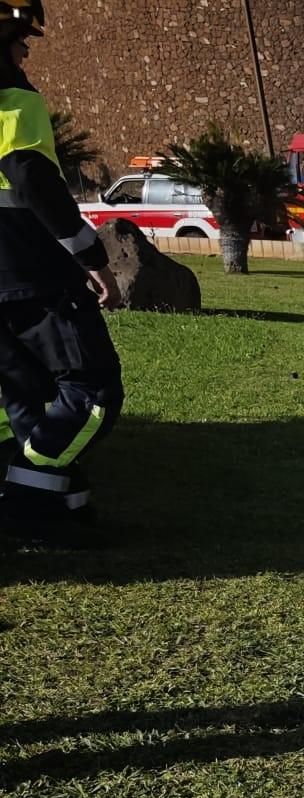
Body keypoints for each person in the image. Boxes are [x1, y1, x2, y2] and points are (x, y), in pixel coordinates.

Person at [0, 0, 124, 538]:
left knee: (26, 393)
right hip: (33, 273)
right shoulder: (13, 98)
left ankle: (52, 513)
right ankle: (26, 490)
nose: (26, 50)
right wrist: (91, 256)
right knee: (93, 390)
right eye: (20, 39)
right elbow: (29, 177)